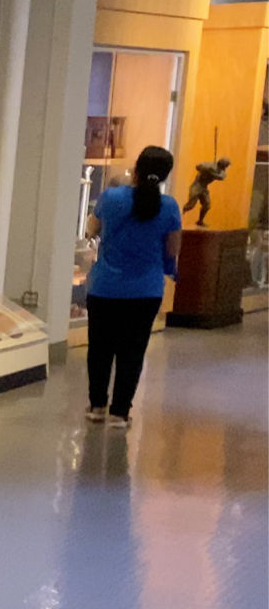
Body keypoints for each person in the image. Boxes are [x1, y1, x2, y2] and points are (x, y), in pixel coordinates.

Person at [83, 145, 181, 428]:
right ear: (164, 176)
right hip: (146, 291)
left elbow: (91, 230)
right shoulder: (170, 207)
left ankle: (97, 406)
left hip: (105, 288)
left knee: (100, 349)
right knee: (132, 351)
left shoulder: (111, 197)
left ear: (136, 169)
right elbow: (173, 249)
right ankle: (119, 412)